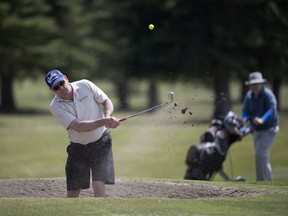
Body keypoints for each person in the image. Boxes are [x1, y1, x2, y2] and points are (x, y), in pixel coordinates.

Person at [45, 69, 120, 197]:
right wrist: (104, 121)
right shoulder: (56, 106)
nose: (61, 88)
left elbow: (106, 101)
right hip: (78, 148)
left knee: (98, 183)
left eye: (61, 83)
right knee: (73, 190)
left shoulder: (85, 85)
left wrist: (108, 116)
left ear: (66, 78)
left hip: (101, 141)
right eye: (56, 87)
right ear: (53, 91)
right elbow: (79, 127)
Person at [242, 71, 279, 181]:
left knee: (261, 154)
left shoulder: (268, 94)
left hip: (270, 129)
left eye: (256, 83)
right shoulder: (249, 96)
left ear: (261, 83)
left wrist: (262, 119)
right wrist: (246, 119)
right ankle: (261, 181)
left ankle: (267, 181)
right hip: (256, 130)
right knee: (259, 157)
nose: (254, 86)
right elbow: (245, 111)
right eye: (252, 84)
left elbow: (272, 110)